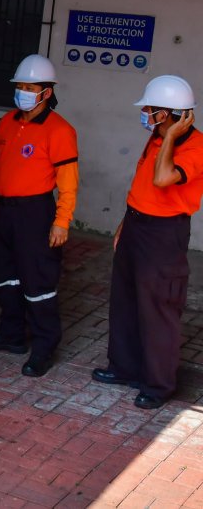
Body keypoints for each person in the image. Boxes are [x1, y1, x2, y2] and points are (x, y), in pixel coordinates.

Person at [93, 75, 202, 410]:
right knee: (125, 300)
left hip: (163, 234)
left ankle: (158, 384)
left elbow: (162, 178)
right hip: (137, 225)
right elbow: (144, 185)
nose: (145, 114)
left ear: (170, 115)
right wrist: (126, 222)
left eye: (151, 110)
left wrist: (170, 137)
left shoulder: (194, 146)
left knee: (158, 307)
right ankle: (124, 367)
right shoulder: (156, 136)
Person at [0, 55, 79, 377]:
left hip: (35, 213)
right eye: (20, 87)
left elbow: (68, 183)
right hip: (4, 210)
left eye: (30, 87)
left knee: (38, 282)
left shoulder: (60, 131)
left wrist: (62, 221)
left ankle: (44, 348)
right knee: (5, 277)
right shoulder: (8, 121)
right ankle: (12, 335)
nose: (23, 93)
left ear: (46, 92)